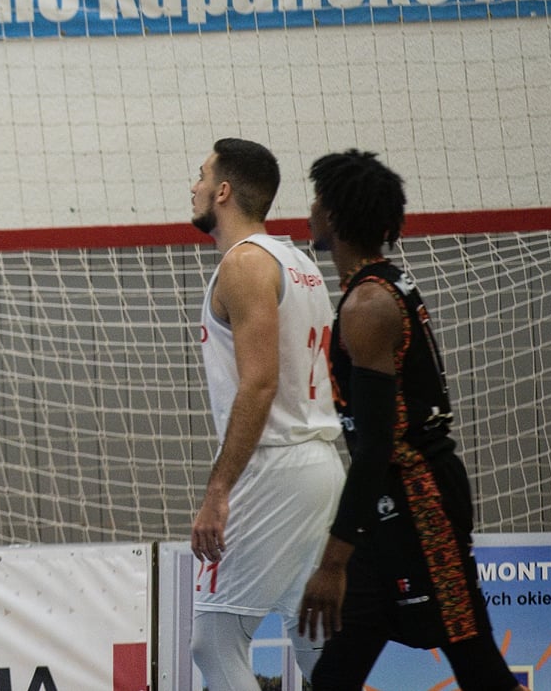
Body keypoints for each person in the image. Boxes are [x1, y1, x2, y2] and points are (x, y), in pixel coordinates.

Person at [295, 150, 515, 690]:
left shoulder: (368, 305)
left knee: (480, 669)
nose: (310, 209)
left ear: (335, 216)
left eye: (318, 199)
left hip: (421, 503)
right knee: (335, 675)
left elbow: (375, 448)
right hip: (387, 506)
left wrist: (332, 562)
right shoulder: (379, 287)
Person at [187, 139, 344, 691]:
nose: (194, 186)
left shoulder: (245, 263)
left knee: (214, 641)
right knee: (315, 642)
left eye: (202, 175)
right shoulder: (300, 264)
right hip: (321, 466)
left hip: (274, 468)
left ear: (223, 191)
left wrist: (218, 490)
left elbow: (259, 385)